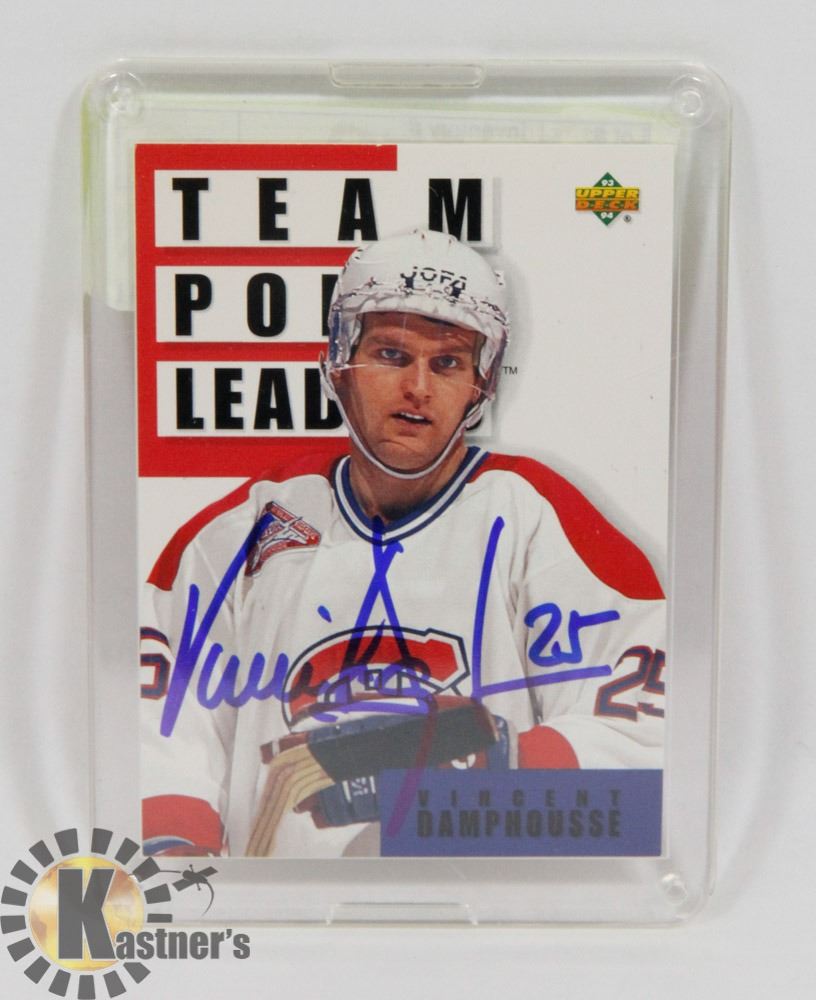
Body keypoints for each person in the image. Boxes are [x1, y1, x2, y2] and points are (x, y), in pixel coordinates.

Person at [140, 229, 665, 858]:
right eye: (391, 354)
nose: (419, 387)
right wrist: (179, 867)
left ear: (482, 385)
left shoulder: (537, 517)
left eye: (448, 363)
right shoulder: (243, 529)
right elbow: (157, 728)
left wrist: (488, 766)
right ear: (338, 361)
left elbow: (653, 736)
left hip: (481, 899)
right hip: (282, 908)